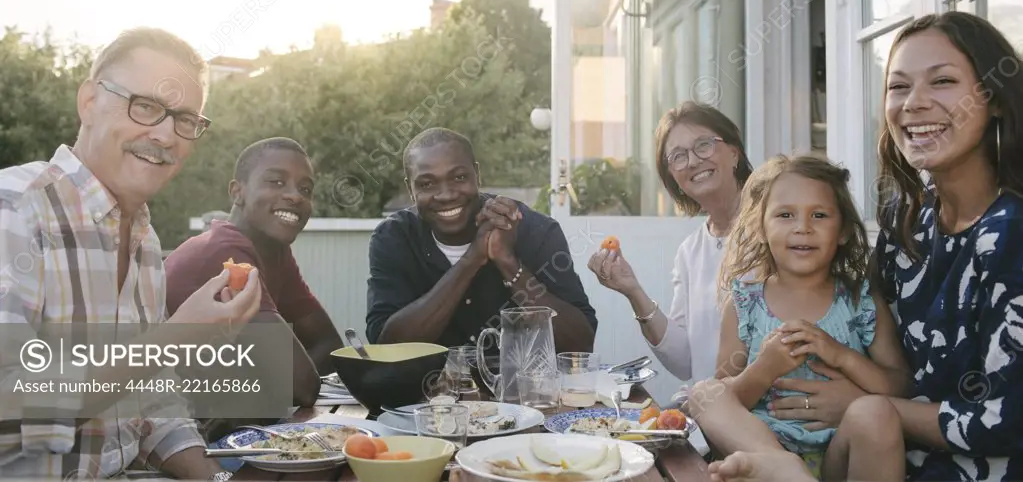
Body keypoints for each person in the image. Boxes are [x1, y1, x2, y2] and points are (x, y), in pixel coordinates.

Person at [748, 12, 1023, 481]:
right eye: (898, 87)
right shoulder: (905, 218)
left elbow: (1000, 421)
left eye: (942, 81)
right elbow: (867, 333)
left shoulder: (1011, 234)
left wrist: (867, 407)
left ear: (994, 98)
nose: (914, 104)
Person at [0, 27, 262, 480]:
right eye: (145, 107)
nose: (165, 135)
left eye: (184, 120)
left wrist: (220, 480)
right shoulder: (15, 208)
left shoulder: (144, 239)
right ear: (88, 101)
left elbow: (150, 404)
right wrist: (173, 338)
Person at [688, 154, 910, 481]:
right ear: (760, 228)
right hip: (763, 456)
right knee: (704, 394)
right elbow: (729, 400)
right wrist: (766, 368)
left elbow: (900, 386)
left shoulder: (859, 300)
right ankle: (785, 468)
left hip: (839, 455)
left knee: (876, 412)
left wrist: (842, 356)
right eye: (785, 215)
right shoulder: (744, 303)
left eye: (819, 215)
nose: (803, 228)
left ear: (844, 231)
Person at [366, 127, 597, 353]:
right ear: (410, 188)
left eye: (459, 177)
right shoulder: (394, 238)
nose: (446, 194)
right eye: (427, 184)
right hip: (428, 391)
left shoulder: (536, 230)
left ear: (477, 175)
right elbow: (386, 348)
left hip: (522, 390)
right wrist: (472, 260)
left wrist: (508, 263)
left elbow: (580, 343)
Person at [165, 137, 343, 412]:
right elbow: (302, 387)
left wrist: (266, 386)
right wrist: (273, 383)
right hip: (167, 437)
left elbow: (328, 345)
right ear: (237, 192)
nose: (296, 196)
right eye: (277, 182)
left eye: (305, 189)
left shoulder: (275, 251)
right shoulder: (224, 254)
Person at [587, 101, 752, 382]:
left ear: (734, 153)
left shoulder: (776, 228)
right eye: (678, 156)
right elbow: (685, 362)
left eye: (703, 145)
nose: (693, 161)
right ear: (674, 179)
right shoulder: (690, 252)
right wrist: (633, 290)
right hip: (712, 412)